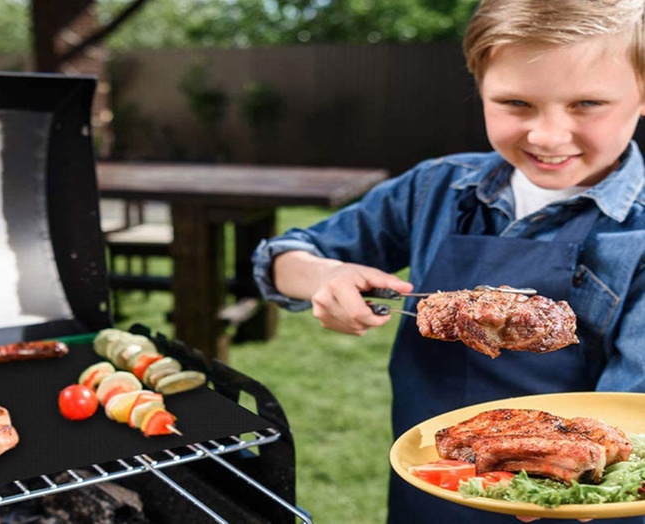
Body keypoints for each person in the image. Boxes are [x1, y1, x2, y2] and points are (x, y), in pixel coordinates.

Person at [252, 1, 645, 523]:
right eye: (516, 104)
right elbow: (280, 259)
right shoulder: (435, 188)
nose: (548, 136)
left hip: (583, 503)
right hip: (432, 487)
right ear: (480, 90)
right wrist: (324, 277)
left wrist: (548, 480)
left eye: (588, 104)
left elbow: (632, 416)